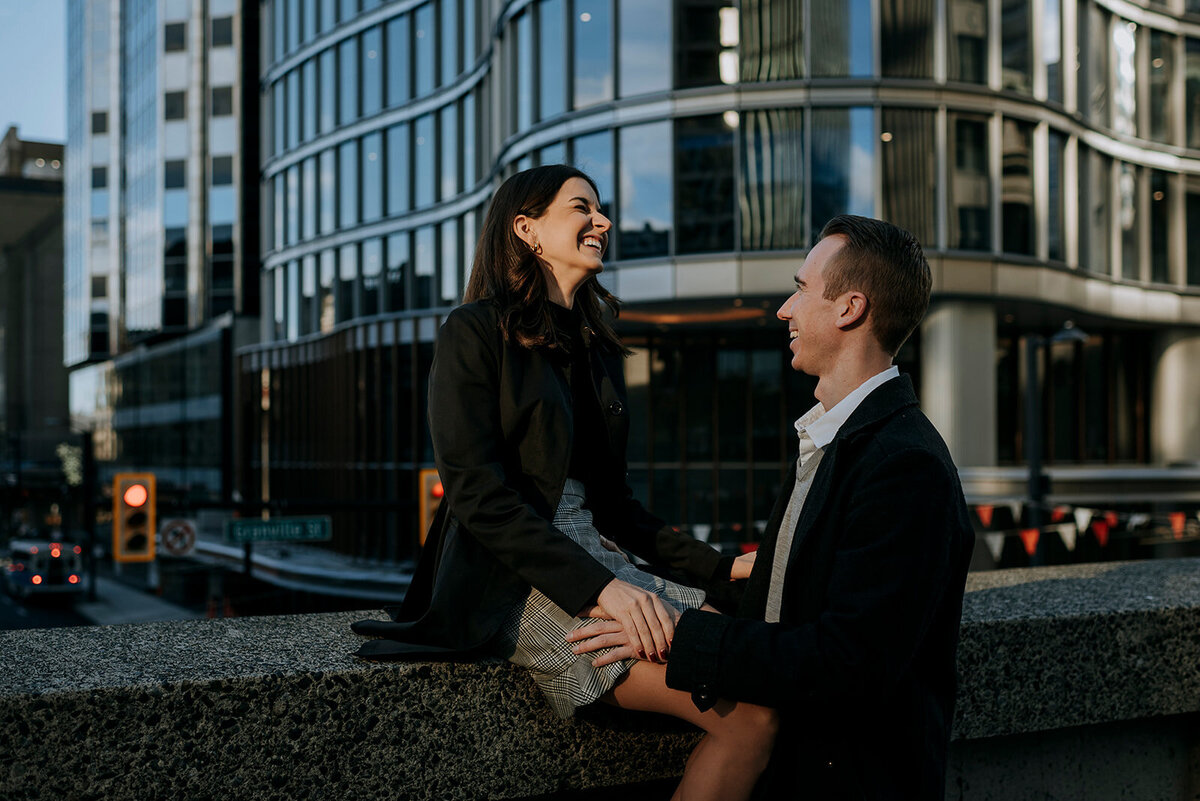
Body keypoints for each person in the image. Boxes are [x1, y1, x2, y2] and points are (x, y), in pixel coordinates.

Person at [352, 165, 775, 801]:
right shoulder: (471, 330)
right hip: (513, 579)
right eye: (582, 208)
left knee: (755, 654)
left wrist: (720, 567)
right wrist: (605, 591)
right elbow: (477, 496)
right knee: (750, 715)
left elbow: (618, 510)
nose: (602, 223)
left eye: (601, 210)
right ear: (527, 229)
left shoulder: (594, 348)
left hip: (598, 564)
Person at [570, 215, 975, 799]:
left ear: (849, 309)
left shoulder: (902, 463)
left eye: (802, 289)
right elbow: (789, 602)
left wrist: (680, 637)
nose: (785, 309)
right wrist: (645, 592)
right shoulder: (838, 438)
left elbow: (848, 662)